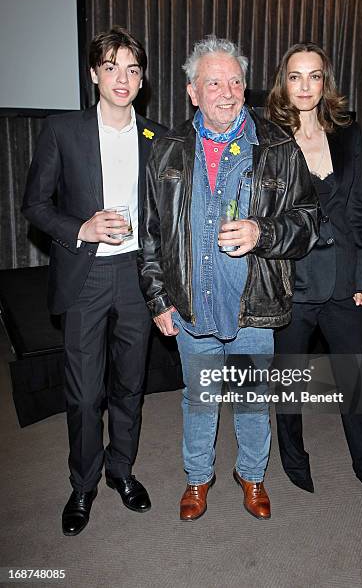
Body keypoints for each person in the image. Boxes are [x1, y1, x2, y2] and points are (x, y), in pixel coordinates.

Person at [138, 35, 320, 521]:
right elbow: (152, 234)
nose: (226, 91)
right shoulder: (167, 150)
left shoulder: (278, 147)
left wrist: (264, 231)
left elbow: (308, 222)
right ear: (192, 92)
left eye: (235, 81)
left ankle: (252, 475)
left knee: (251, 402)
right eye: (213, 82)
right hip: (192, 305)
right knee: (199, 401)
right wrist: (158, 299)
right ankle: (198, 480)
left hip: (252, 308)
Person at [22, 26, 167, 536]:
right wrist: (80, 227)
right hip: (85, 275)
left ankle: (121, 471)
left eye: (132, 69)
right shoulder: (63, 131)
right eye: (111, 68)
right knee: (84, 395)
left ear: (142, 79)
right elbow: (35, 206)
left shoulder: (158, 137)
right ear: (93, 75)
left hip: (137, 276)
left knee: (130, 384)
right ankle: (82, 484)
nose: (122, 78)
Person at [266, 42, 362, 496]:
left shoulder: (349, 132)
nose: (305, 86)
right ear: (283, 83)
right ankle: (294, 462)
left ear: (326, 82)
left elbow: (358, 208)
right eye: (295, 76)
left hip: (343, 279)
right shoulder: (268, 136)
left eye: (314, 76)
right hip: (292, 280)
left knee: (355, 381)